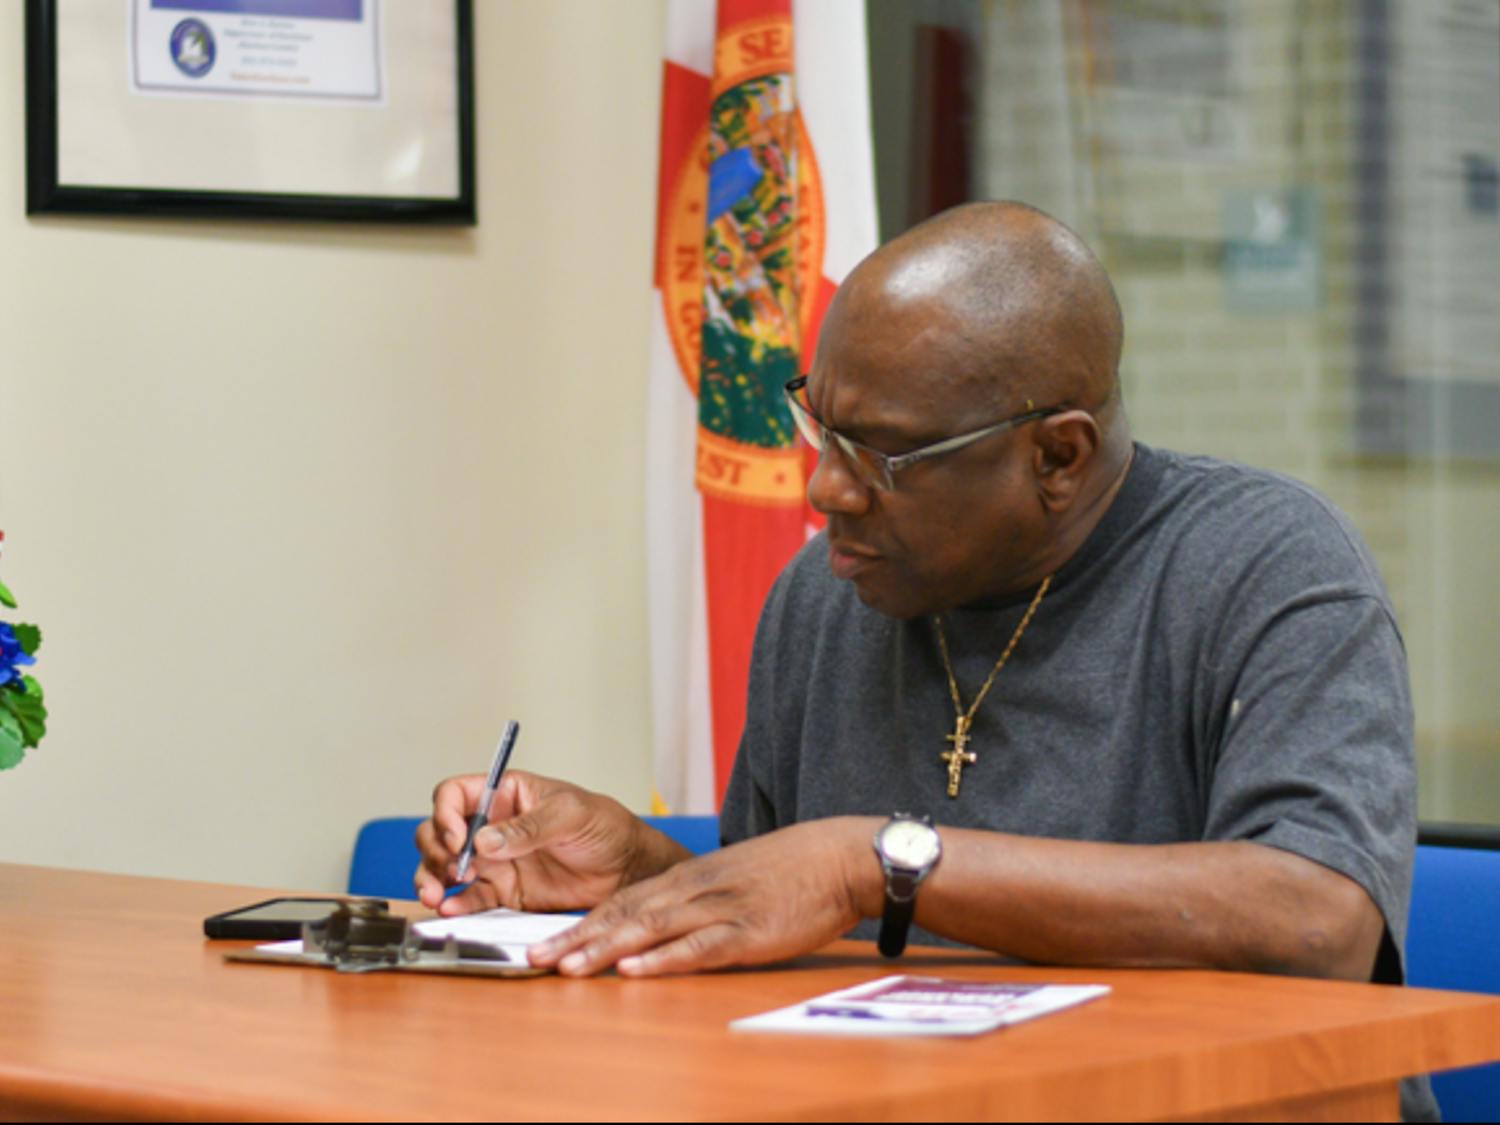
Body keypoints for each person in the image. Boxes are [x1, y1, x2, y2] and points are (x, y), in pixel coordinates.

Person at [416, 200, 1416, 999]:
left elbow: (1320, 919)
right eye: (823, 428)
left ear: (1057, 456)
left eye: (882, 453)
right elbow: (797, 919)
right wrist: (642, 876)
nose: (826, 491)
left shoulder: (1264, 565)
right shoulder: (827, 595)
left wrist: (879, 861)